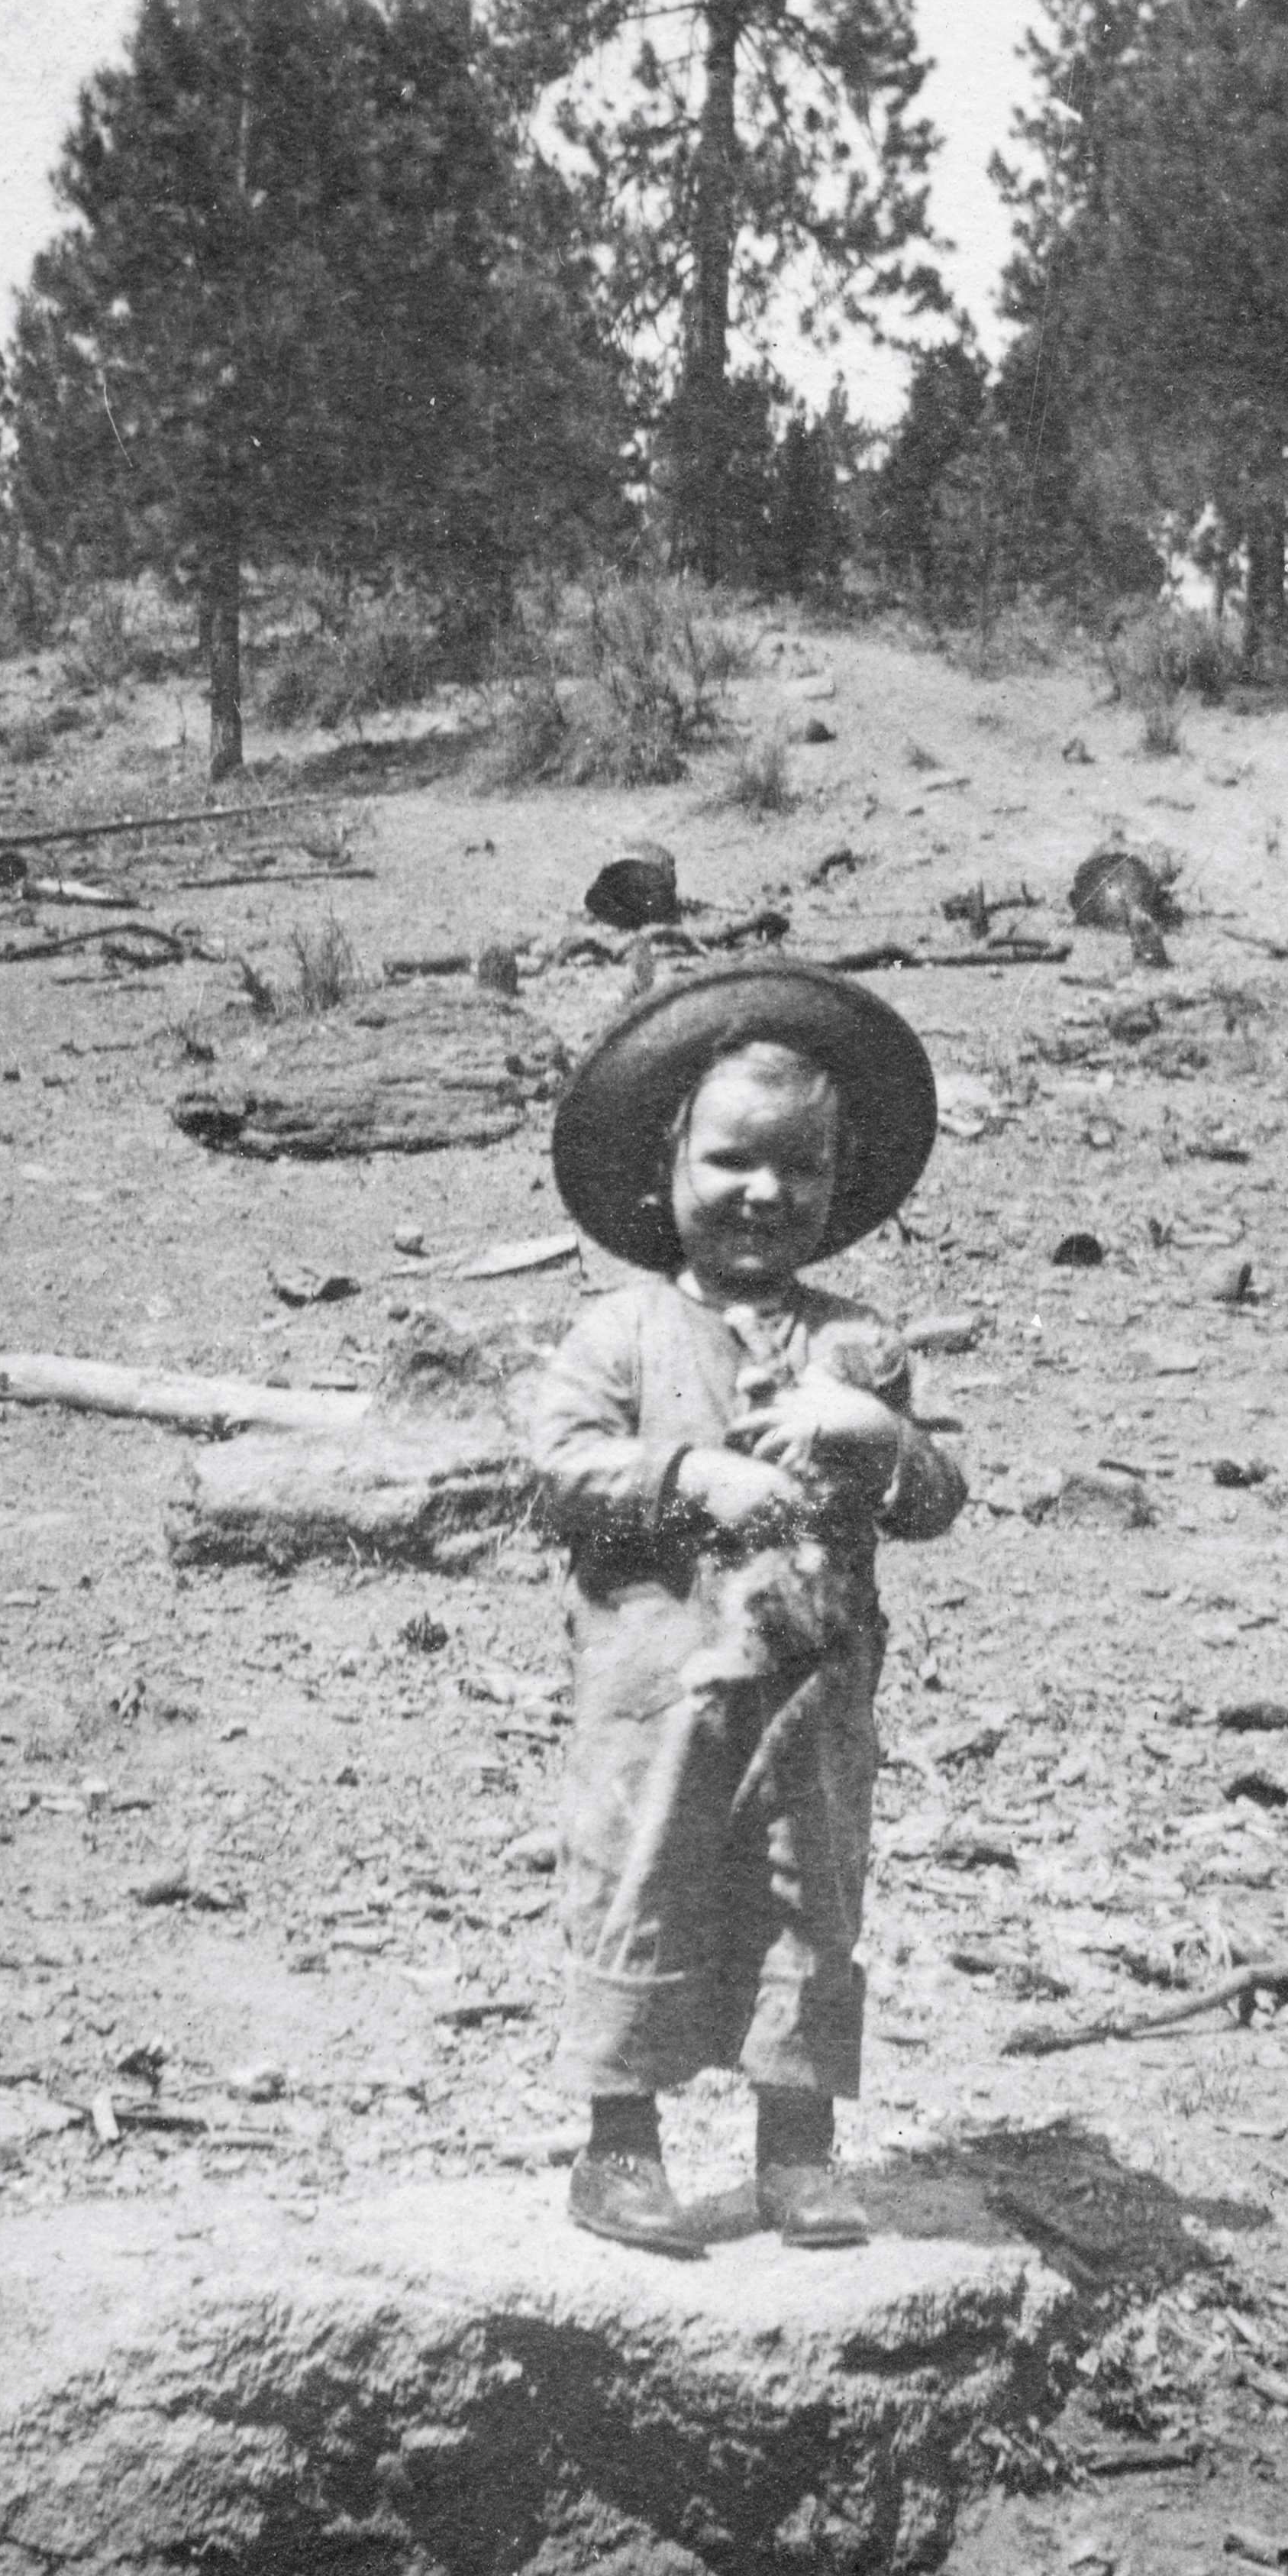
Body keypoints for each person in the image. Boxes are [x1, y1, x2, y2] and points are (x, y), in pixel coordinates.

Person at [528, 962, 967, 2260]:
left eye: (801, 1170)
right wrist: (684, 1473)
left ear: (838, 1188)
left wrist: (877, 1432)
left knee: (808, 1896)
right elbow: (555, 1473)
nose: (765, 1194)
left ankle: (798, 2150)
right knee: (639, 1882)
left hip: (814, 1698)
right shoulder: (622, 1334)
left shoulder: (861, 1347)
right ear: (669, 1166)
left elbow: (937, 1497)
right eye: (731, 1162)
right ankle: (619, 2148)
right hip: (652, 1695)